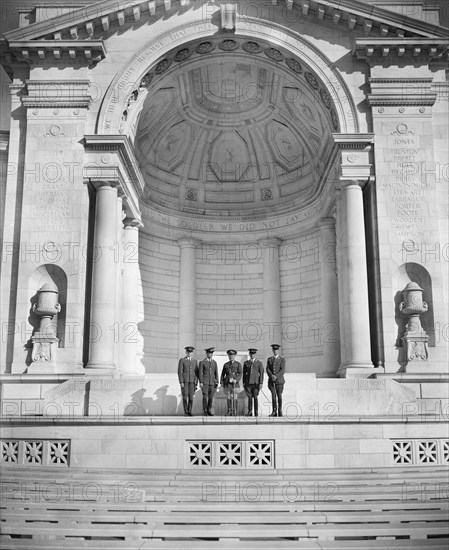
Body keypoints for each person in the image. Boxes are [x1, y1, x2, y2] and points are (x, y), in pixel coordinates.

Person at [243, 348, 264, 417]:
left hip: (256, 384)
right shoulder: (246, 363)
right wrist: (244, 383)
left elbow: (261, 373)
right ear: (249, 354)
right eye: (251, 354)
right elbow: (244, 374)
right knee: (249, 397)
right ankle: (250, 411)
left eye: (253, 354)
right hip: (248, 383)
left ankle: (256, 412)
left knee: (255, 397)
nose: (252, 355)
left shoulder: (259, 363)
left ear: (255, 354)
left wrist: (261, 383)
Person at [266, 343, 286, 417]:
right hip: (271, 381)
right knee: (273, 396)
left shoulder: (282, 359)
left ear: (278, 350)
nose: (275, 351)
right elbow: (267, 368)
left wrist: (276, 376)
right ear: (272, 350)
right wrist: (271, 376)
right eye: (274, 350)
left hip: (279, 381)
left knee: (279, 396)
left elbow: (282, 370)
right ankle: (274, 411)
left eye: (276, 350)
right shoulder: (269, 359)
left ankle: (280, 411)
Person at [220, 349, 242, 416]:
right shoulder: (226, 365)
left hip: (235, 384)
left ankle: (235, 411)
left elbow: (240, 374)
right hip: (227, 384)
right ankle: (229, 410)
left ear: (235, 356)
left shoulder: (238, 364)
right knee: (229, 397)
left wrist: (236, 380)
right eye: (229, 355)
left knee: (235, 397)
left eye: (232, 355)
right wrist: (222, 382)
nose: (231, 357)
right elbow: (223, 374)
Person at [177, 346, 198, 416]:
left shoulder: (194, 361)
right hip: (185, 381)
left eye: (190, 352)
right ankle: (185, 411)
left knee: (191, 396)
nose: (189, 353)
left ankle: (190, 411)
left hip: (192, 382)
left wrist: (196, 382)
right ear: (186, 352)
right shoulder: (182, 360)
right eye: (188, 352)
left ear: (192, 353)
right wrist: (181, 382)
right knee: (185, 396)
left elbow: (196, 372)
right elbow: (180, 372)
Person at [198, 347, 219, 416]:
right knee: (205, 397)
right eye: (209, 353)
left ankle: (209, 410)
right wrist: (201, 382)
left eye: (211, 353)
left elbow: (216, 373)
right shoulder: (202, 362)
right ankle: (204, 410)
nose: (210, 354)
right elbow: (200, 373)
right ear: (206, 354)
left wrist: (217, 381)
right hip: (205, 383)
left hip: (212, 383)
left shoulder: (214, 362)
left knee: (210, 397)